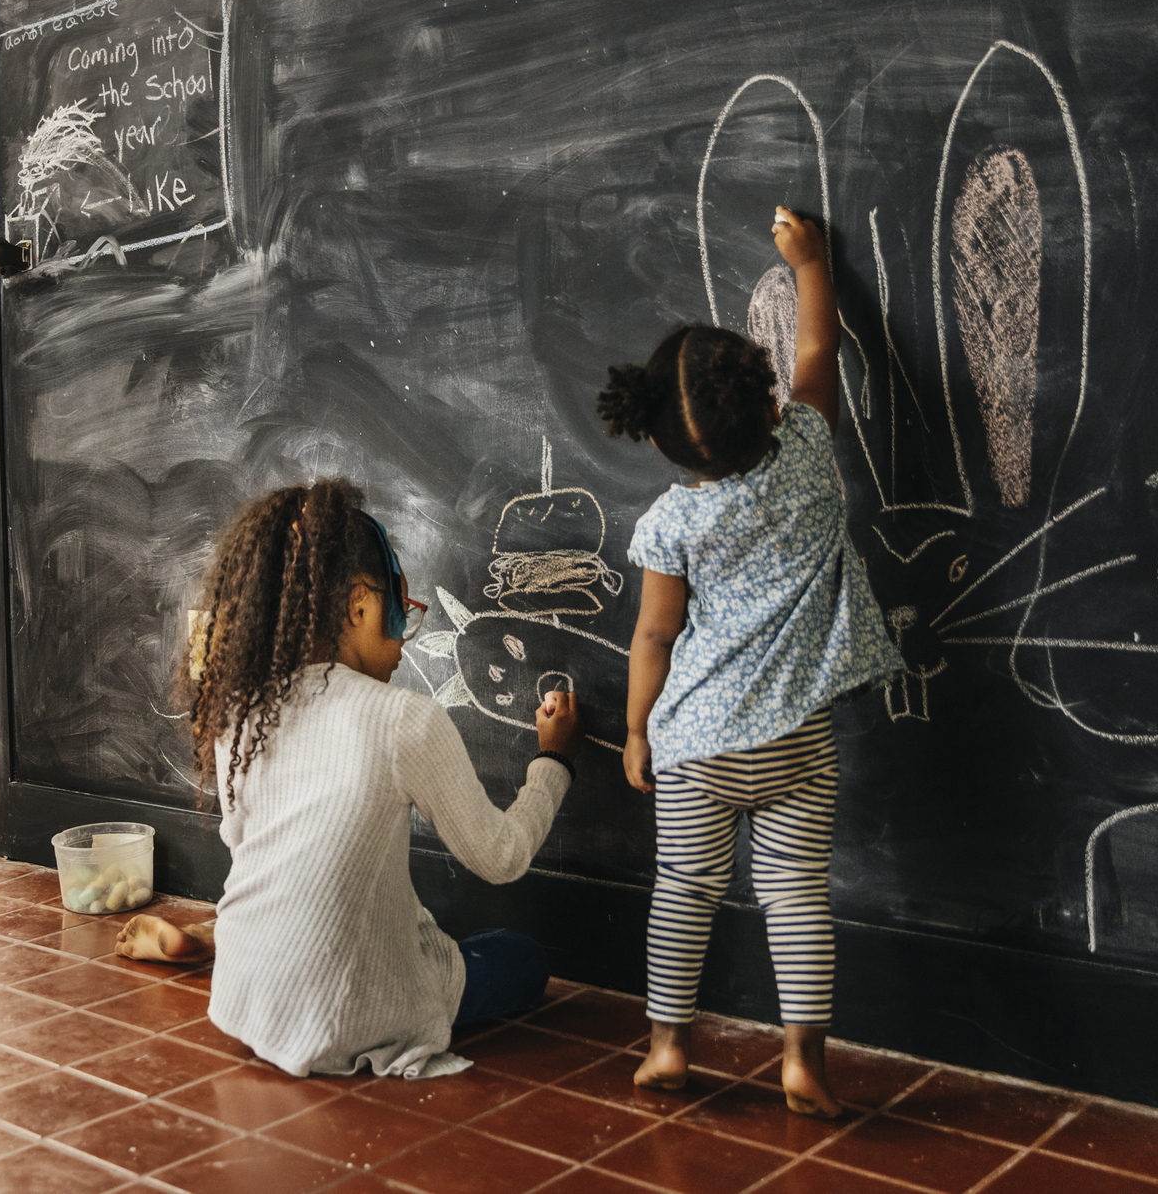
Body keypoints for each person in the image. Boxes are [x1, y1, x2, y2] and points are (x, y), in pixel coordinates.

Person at [116, 478, 582, 1078]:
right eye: (400, 610)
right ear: (361, 605)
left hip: (245, 1000)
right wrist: (554, 763)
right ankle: (244, 951)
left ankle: (212, 941)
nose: (401, 636)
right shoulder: (403, 718)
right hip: (349, 1014)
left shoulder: (241, 708)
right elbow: (502, 857)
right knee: (522, 959)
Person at [596, 206, 902, 1118]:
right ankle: (801, 1062)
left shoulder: (672, 524)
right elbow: (817, 349)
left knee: (684, 892)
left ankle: (666, 1049)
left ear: (655, 440)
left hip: (694, 744)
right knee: (797, 897)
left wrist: (634, 728)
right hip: (797, 741)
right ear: (770, 408)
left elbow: (653, 637)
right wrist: (810, 264)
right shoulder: (809, 449)